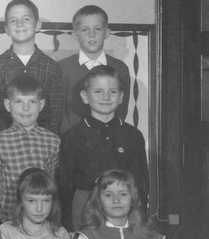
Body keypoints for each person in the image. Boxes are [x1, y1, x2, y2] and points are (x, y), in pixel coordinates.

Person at [58, 64, 148, 230]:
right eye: (98, 91)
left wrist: (140, 218)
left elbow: (141, 182)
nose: (106, 97)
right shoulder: (73, 136)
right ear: (85, 96)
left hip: (122, 210)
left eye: (112, 92)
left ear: (121, 97)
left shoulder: (133, 136)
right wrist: (67, 225)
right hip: (84, 211)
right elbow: (65, 184)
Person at [0, 0, 64, 137]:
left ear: (38, 25)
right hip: (6, 142)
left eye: (26, 19)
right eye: (13, 20)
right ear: (7, 29)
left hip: (43, 143)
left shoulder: (52, 67)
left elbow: (55, 115)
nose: (20, 24)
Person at [0, 74, 60, 223]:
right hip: (7, 217)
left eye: (32, 102)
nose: (26, 108)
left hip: (40, 217)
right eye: (18, 101)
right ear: (8, 105)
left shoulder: (53, 140)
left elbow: (51, 182)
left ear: (41, 105)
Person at [58, 5, 132, 134]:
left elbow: (121, 110)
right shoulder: (62, 68)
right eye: (85, 30)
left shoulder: (120, 68)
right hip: (71, 140)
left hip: (108, 139)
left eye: (97, 29)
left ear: (107, 33)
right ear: (75, 35)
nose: (92, 34)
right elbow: (58, 112)